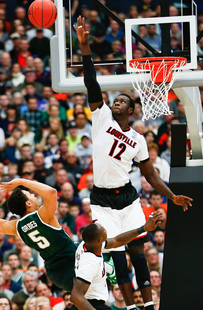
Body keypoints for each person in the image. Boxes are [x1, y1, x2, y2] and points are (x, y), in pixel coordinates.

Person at [74, 16, 193, 310]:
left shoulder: (139, 139)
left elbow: (151, 176)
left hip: (127, 196)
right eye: (116, 99)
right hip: (102, 198)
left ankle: (150, 306)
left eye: (124, 100)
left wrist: (171, 196)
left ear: (132, 109)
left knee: (138, 250)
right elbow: (92, 82)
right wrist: (85, 47)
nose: (117, 101)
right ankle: (130, 307)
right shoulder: (101, 118)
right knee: (115, 253)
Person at [0, 179, 161, 295]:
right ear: (28, 203)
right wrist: (22, 181)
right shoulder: (43, 215)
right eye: (30, 194)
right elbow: (52, 192)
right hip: (74, 258)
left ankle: (105, 270)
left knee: (90, 297)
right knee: (107, 244)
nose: (34, 194)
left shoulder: (17, 227)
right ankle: (107, 269)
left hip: (56, 273)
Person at [70, 216, 161, 310]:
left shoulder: (88, 244)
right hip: (88, 304)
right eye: (104, 230)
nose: (106, 230)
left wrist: (144, 228)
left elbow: (117, 241)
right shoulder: (90, 263)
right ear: (101, 239)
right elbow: (76, 297)